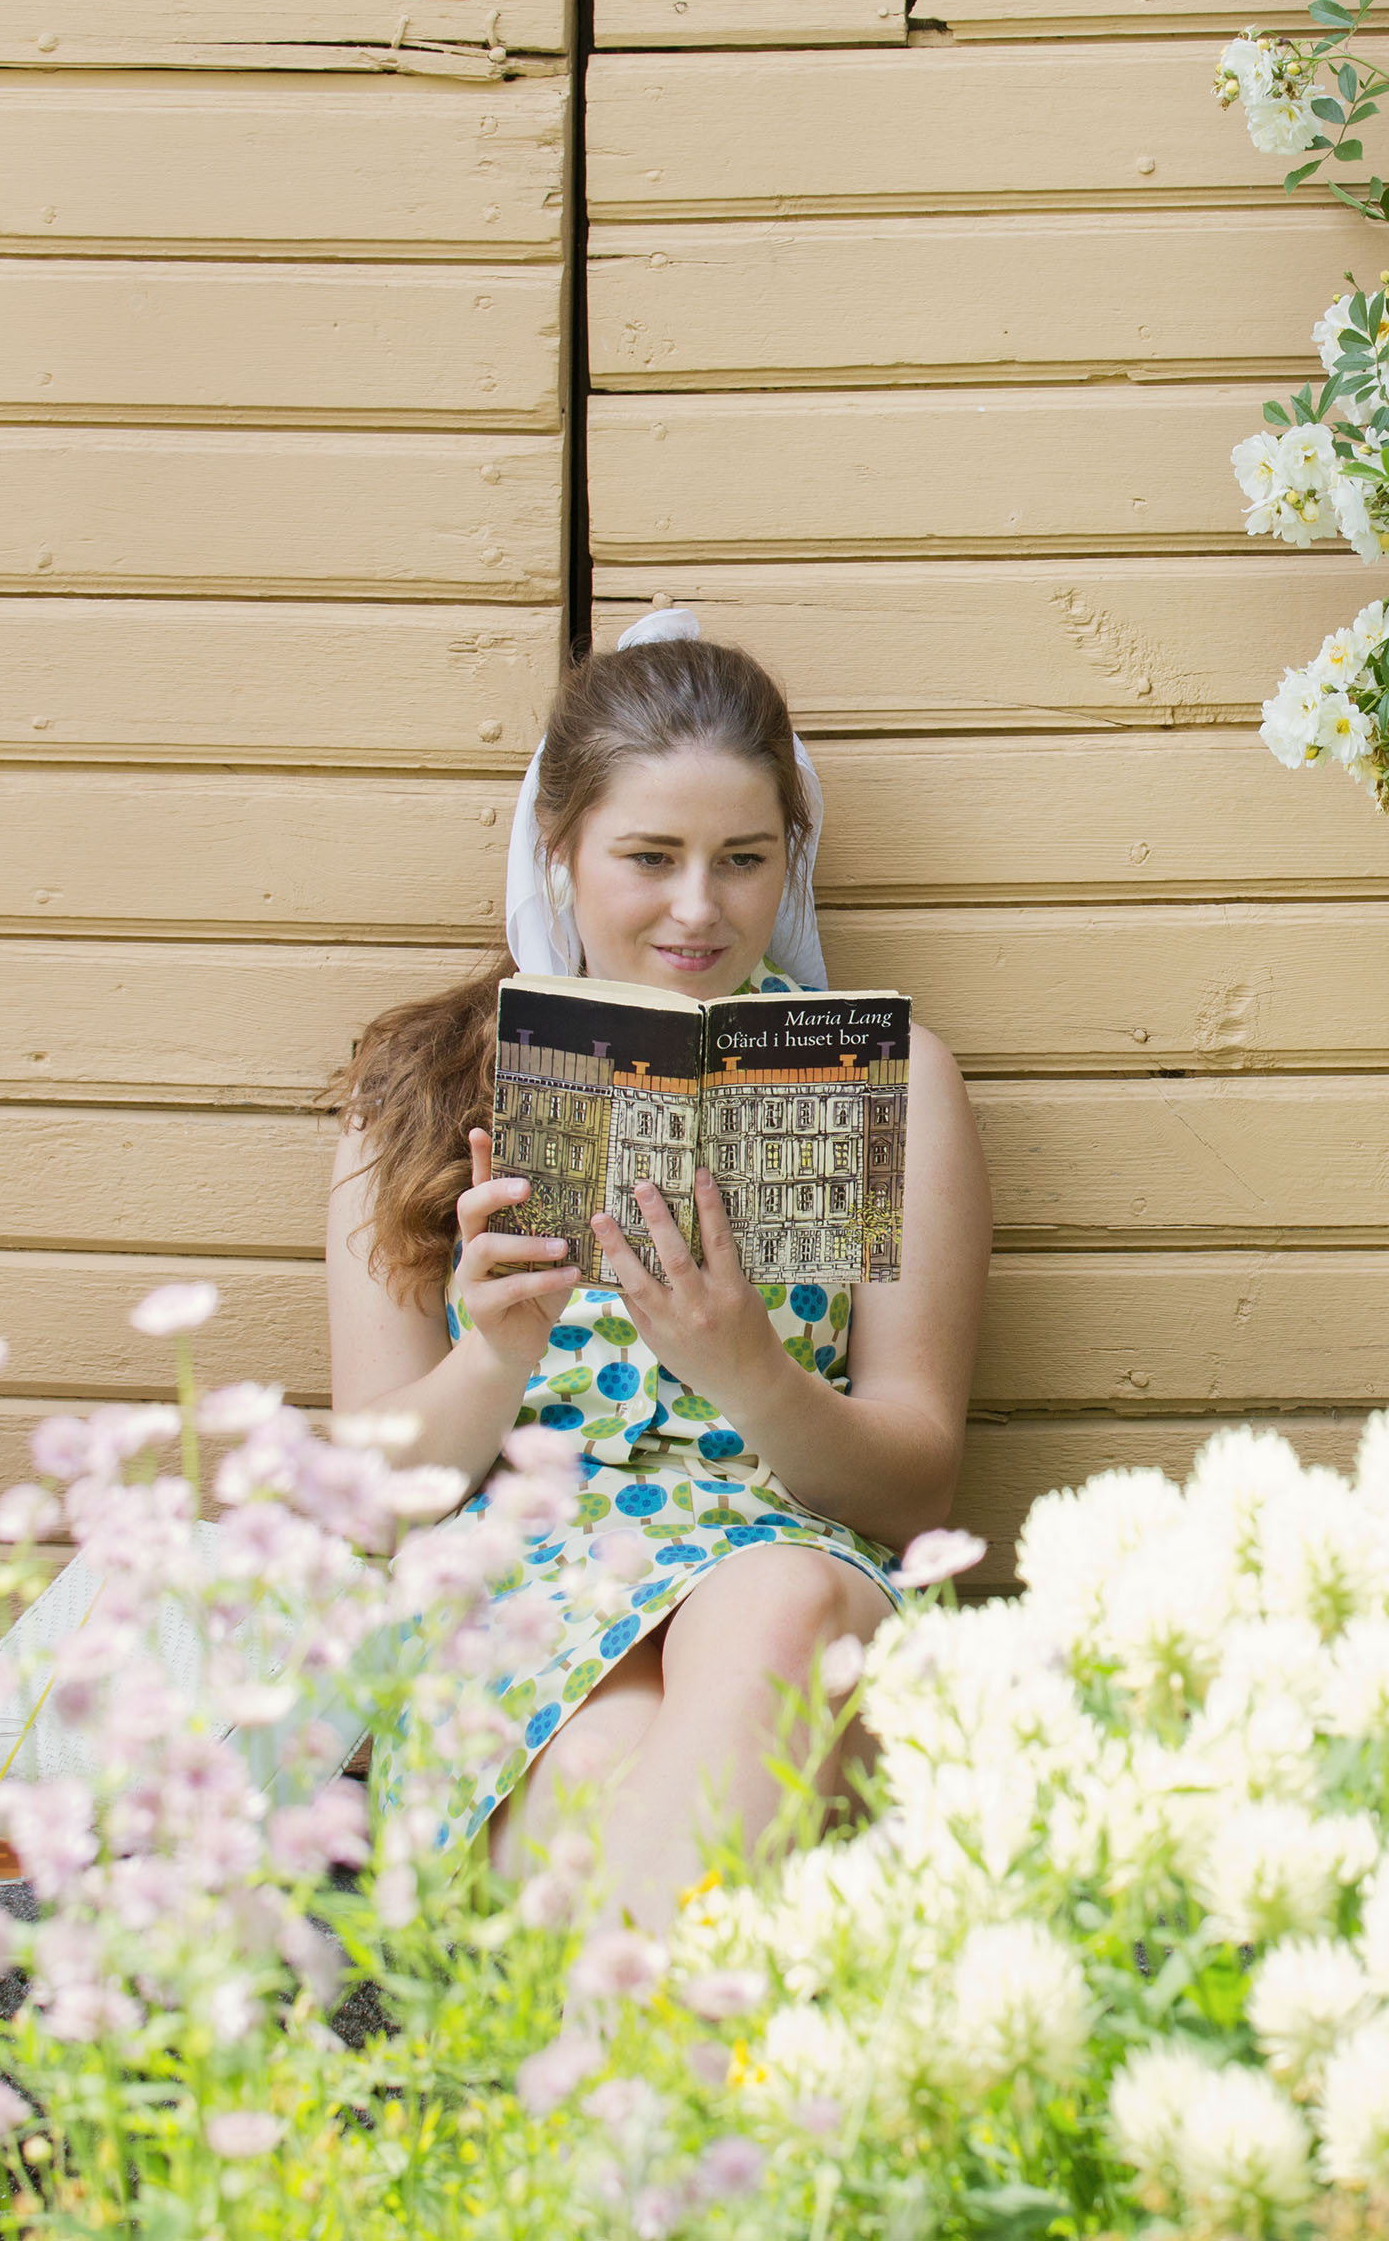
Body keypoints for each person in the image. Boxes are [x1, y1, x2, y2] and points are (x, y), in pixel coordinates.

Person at [323, 613, 987, 1921]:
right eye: (651, 857)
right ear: (561, 851)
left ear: (790, 859)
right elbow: (365, 1501)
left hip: (787, 1563)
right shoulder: (417, 1088)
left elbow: (915, 1487)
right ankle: (628, 2092)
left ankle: (577, 2094)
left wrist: (752, 1371)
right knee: (626, 1775)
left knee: (781, 1601)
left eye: (743, 859)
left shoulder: (892, 1080)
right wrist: (495, 1354)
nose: (699, 906)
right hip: (529, 1597)